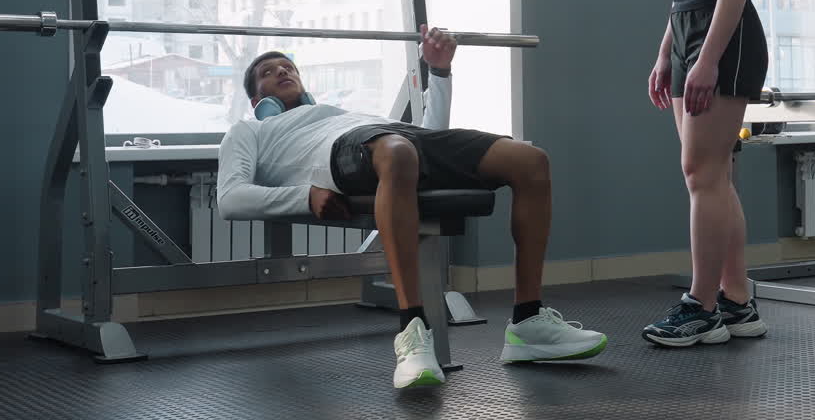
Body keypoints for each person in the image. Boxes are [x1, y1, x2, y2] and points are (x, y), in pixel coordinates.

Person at [217, 25, 607, 388]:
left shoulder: (340, 111)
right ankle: (413, 332)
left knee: (530, 160)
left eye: (288, 66)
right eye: (270, 71)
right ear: (256, 98)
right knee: (400, 153)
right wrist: (305, 196)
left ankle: (528, 323)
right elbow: (232, 197)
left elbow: (430, 133)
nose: (283, 71)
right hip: (349, 152)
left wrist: (439, 72)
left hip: (393, 137)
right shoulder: (251, 129)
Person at [642, 0, 770, 347]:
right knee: (712, 175)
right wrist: (667, 53)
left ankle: (701, 304)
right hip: (691, 34)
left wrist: (708, 59)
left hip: (726, 38)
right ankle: (737, 301)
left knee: (701, 174)